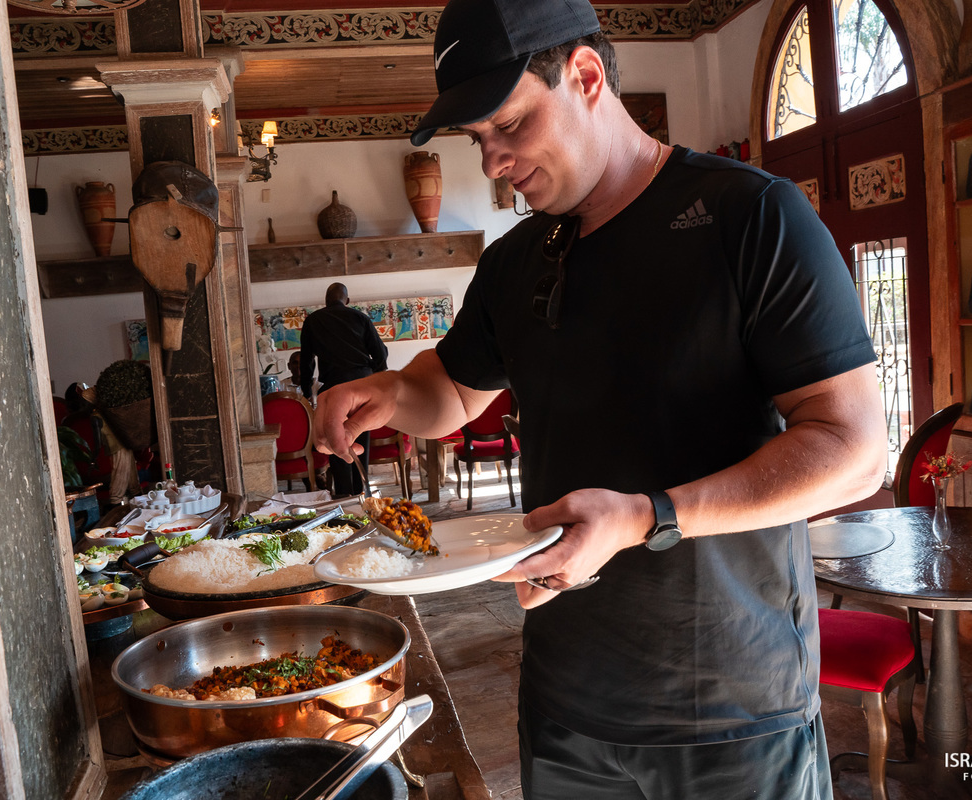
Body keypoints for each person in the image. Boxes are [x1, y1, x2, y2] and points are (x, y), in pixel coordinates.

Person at [312, 0, 887, 796]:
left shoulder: (749, 216)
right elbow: (450, 391)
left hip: (731, 709)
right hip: (566, 703)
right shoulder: (516, 263)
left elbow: (854, 452)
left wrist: (649, 515)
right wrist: (384, 391)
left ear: (584, 74)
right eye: (479, 141)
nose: (493, 163)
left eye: (508, 125)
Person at [300, 282, 389, 496]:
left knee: (335, 443)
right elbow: (380, 354)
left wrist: (306, 391)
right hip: (362, 387)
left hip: (334, 388)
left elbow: (306, 361)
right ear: (347, 301)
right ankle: (362, 494)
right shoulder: (360, 318)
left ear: (326, 301)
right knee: (359, 441)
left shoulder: (313, 320)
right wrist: (376, 380)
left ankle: (344, 496)